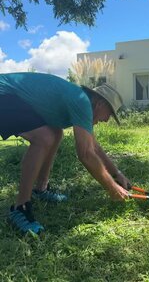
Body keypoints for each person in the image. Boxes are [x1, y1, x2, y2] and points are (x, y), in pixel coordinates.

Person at [0, 72, 131, 234]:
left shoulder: (81, 101)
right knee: (44, 137)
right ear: (100, 104)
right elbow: (86, 154)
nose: (106, 120)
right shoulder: (82, 102)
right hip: (4, 92)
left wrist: (117, 174)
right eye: (110, 114)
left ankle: (41, 189)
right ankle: (21, 207)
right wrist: (112, 188)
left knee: (56, 133)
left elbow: (94, 147)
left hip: (11, 94)